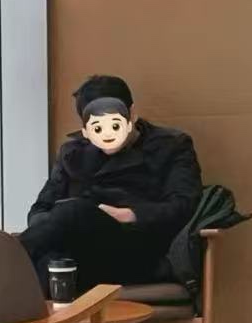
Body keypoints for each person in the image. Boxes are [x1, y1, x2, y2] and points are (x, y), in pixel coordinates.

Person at [19, 75, 202, 295]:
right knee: (51, 261)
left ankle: (5, 257)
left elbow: (184, 204)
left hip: (137, 252)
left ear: (131, 114)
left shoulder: (171, 146)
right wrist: (59, 225)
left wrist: (130, 214)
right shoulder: (73, 153)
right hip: (80, 253)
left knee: (74, 211)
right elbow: (39, 210)